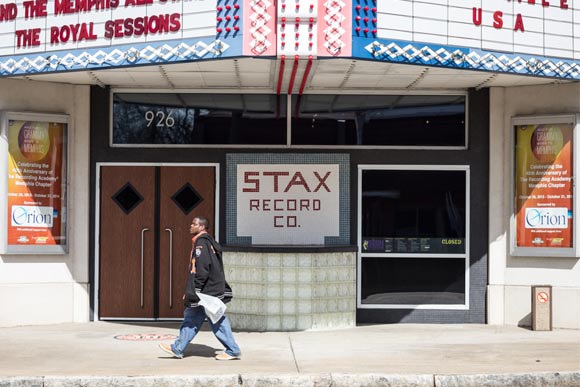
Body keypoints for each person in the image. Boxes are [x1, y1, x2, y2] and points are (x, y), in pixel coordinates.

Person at [159, 215, 241, 360]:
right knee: (192, 318)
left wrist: (194, 290)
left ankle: (232, 350)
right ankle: (178, 348)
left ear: (202, 227)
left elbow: (202, 269)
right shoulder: (207, 242)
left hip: (205, 291)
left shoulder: (201, 243)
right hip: (207, 289)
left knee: (217, 319)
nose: (190, 226)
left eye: (194, 224)